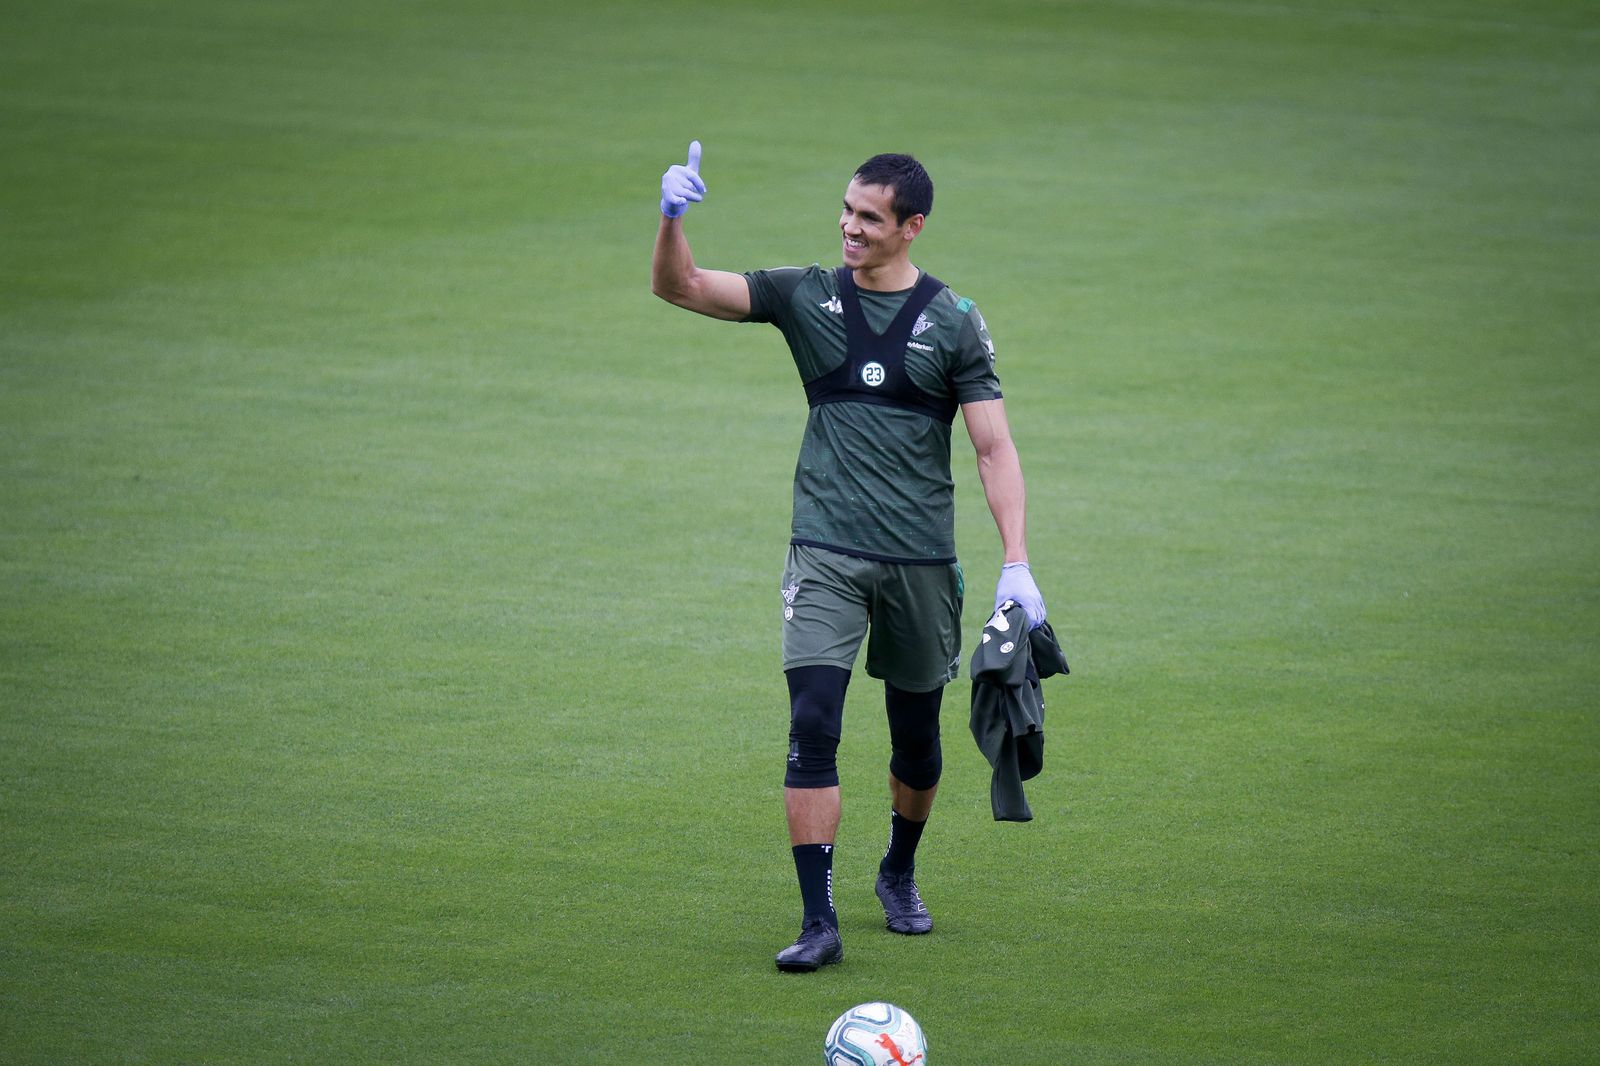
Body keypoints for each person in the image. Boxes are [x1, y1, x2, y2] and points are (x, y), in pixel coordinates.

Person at [650, 141, 1047, 972]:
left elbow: (992, 447)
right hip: (825, 554)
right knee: (813, 726)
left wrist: (1016, 563)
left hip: (921, 565)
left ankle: (898, 871)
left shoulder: (954, 320)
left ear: (912, 227)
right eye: (846, 209)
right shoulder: (807, 295)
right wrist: (671, 219)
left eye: (869, 217)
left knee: (917, 744)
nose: (849, 227)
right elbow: (680, 286)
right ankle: (817, 921)